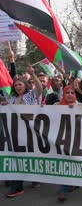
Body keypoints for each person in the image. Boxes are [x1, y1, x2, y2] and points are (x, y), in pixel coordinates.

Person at [1, 65, 43, 198]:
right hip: (16, 133)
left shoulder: (31, 96)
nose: (18, 87)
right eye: (16, 85)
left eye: (20, 84)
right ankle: (17, 186)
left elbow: (40, 89)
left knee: (30, 156)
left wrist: (33, 74)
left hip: (30, 132)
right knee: (17, 158)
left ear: (25, 85)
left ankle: (34, 177)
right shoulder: (12, 99)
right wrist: (5, 106)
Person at [55, 85, 81, 202]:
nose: (70, 95)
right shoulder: (56, 106)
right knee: (64, 163)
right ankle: (63, 190)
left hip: (77, 140)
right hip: (62, 140)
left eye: (72, 93)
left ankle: (74, 182)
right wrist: (41, 108)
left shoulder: (80, 106)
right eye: (67, 93)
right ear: (63, 94)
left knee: (74, 162)